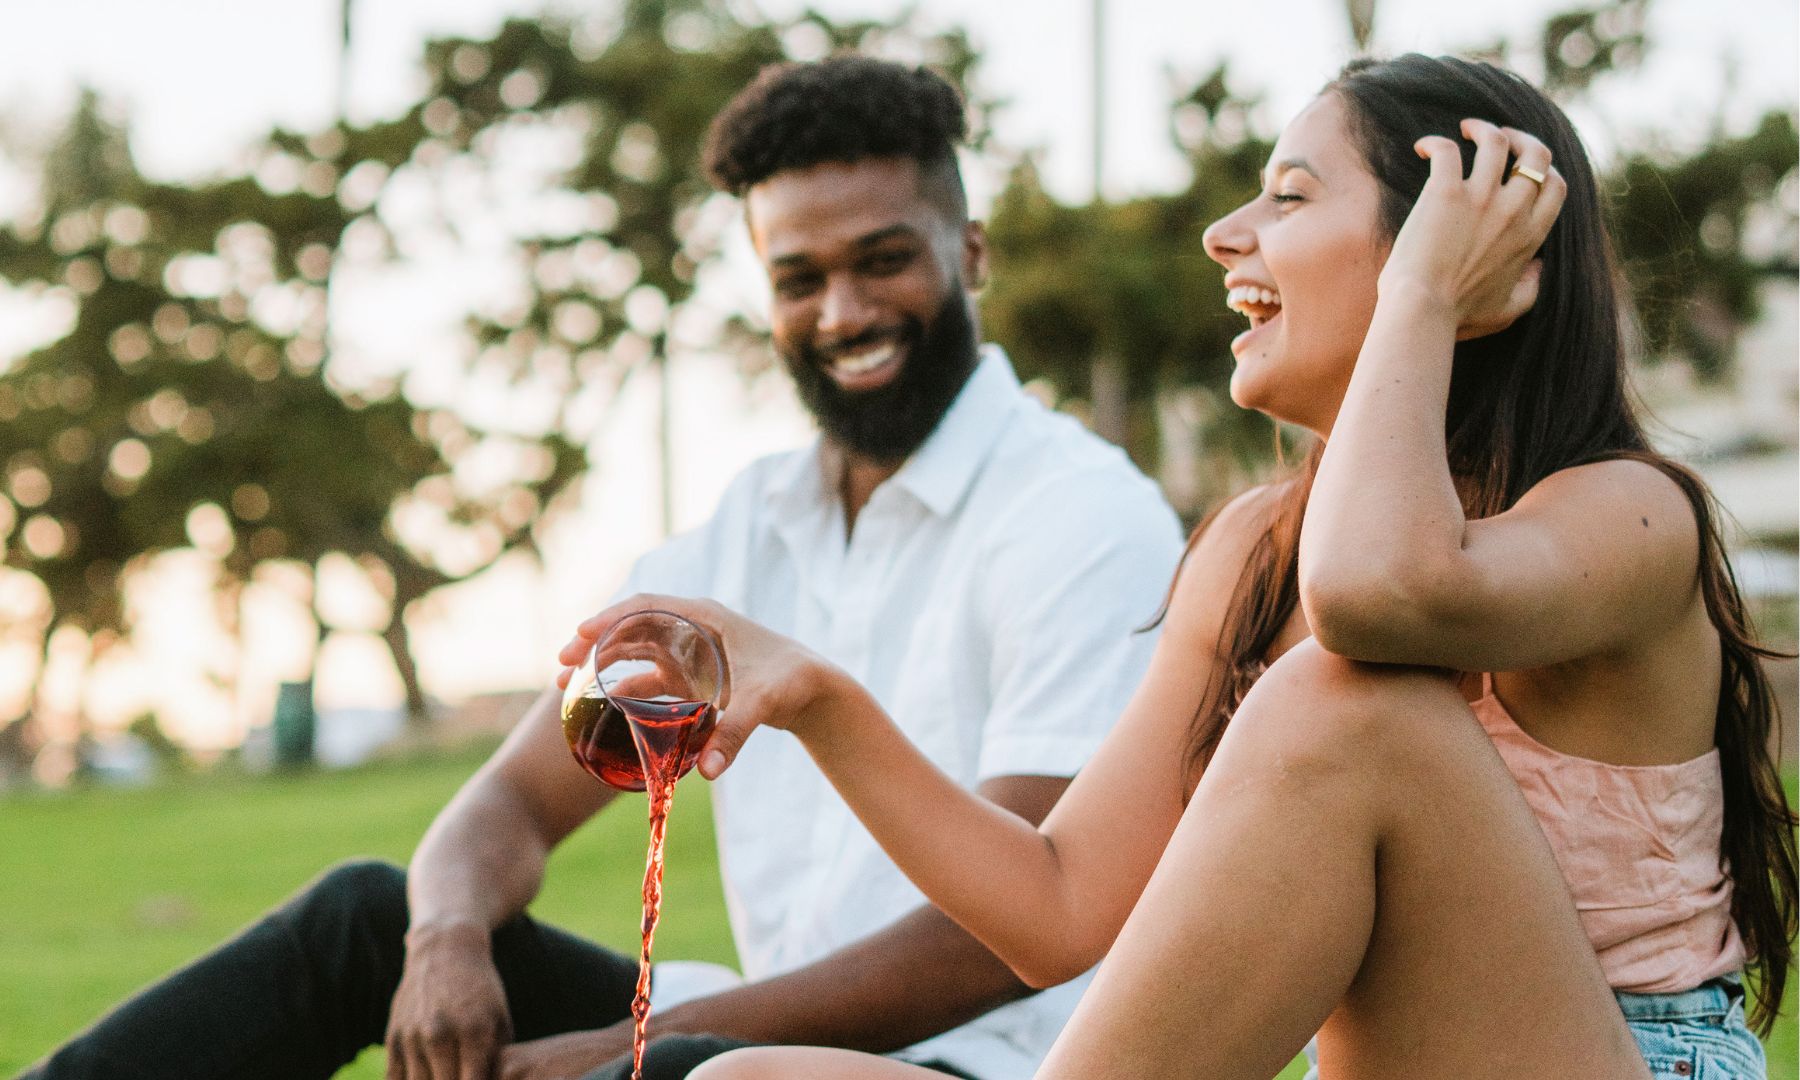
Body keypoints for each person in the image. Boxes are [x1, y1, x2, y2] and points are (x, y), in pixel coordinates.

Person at [562, 55, 1798, 1080]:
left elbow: (1375, 598)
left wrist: (1418, 298)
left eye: (1292, 197)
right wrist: (814, 695)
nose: (1226, 235)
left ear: (1463, 251)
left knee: (1341, 697)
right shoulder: (1254, 552)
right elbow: (1054, 911)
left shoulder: (1628, 521)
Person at [19, 57, 1182, 1080]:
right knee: (370, 921)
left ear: (968, 252)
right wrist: (446, 946)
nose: (843, 311)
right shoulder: (745, 528)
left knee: (666, 1070)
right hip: (734, 1044)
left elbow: (1015, 934)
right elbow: (519, 799)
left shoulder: (1083, 520)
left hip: (976, 1067)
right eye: (798, 278)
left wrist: (633, 1045)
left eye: (884, 261)